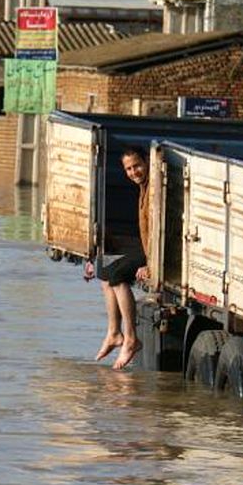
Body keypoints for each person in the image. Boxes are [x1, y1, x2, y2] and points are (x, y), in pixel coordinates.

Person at [84, 145, 151, 370]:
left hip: (154, 254)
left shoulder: (154, 189)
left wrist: (151, 264)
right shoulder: (143, 187)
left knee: (117, 274)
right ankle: (114, 333)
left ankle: (131, 338)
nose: (134, 172)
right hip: (145, 249)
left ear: (148, 162)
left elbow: (164, 232)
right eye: (129, 169)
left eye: (137, 166)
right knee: (104, 267)